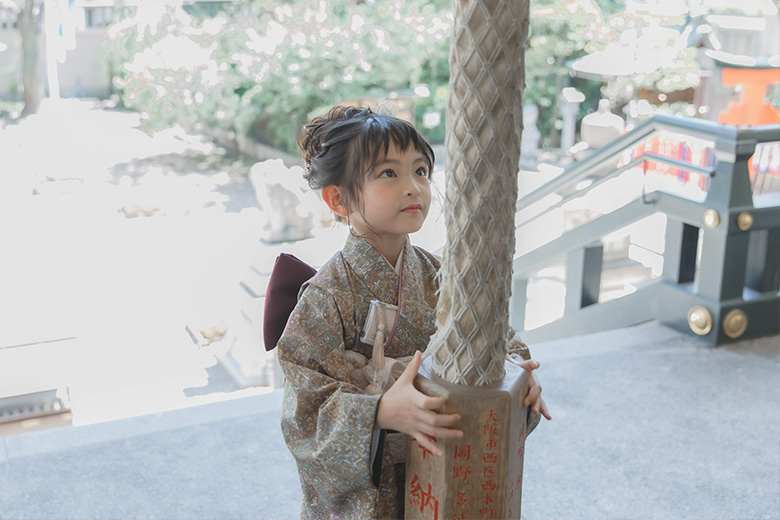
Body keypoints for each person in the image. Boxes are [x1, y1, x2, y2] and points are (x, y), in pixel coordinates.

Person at [278, 105, 551, 519]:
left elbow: (495, 339)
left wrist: (516, 376)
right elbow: (305, 414)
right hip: (377, 494)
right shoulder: (325, 296)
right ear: (338, 198)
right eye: (389, 173)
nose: (414, 187)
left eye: (421, 171)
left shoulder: (443, 273)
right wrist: (380, 411)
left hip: (444, 469)